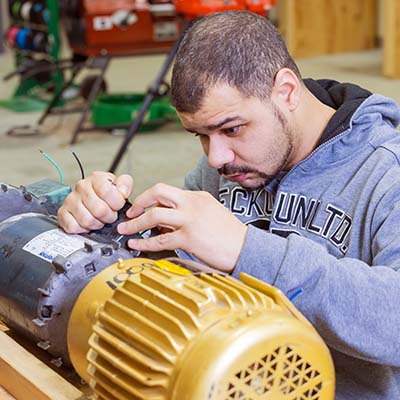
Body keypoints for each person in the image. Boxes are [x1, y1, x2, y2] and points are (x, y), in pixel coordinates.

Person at [58, 10, 400, 400]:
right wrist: (105, 222)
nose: (217, 157)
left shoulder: (385, 171)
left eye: (231, 128)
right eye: (199, 135)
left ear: (286, 91)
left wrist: (246, 249)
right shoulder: (230, 165)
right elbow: (178, 277)